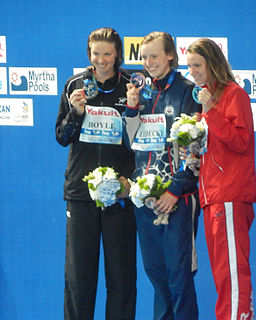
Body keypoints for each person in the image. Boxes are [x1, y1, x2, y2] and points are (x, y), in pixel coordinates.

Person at [55, 27, 136, 320]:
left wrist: (133, 109)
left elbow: (140, 140)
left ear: (118, 55)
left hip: (120, 194)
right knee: (79, 279)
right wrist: (76, 113)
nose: (101, 60)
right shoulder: (74, 84)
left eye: (107, 54)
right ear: (88, 54)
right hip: (80, 194)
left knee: (122, 278)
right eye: (95, 54)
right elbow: (62, 137)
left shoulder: (131, 87)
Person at [125, 31, 200, 320]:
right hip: (145, 198)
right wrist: (131, 109)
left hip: (177, 199)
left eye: (154, 55)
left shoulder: (188, 91)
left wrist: (175, 189)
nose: (148, 62)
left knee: (179, 278)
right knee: (156, 276)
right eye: (144, 57)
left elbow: (196, 147)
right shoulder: (140, 92)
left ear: (170, 55)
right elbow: (130, 141)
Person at [185, 38, 256, 320]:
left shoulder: (233, 94)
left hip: (229, 195)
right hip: (212, 195)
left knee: (232, 273)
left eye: (197, 65)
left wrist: (212, 112)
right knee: (222, 274)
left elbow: (241, 141)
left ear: (212, 63)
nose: (193, 71)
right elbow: (213, 146)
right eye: (190, 66)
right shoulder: (207, 98)